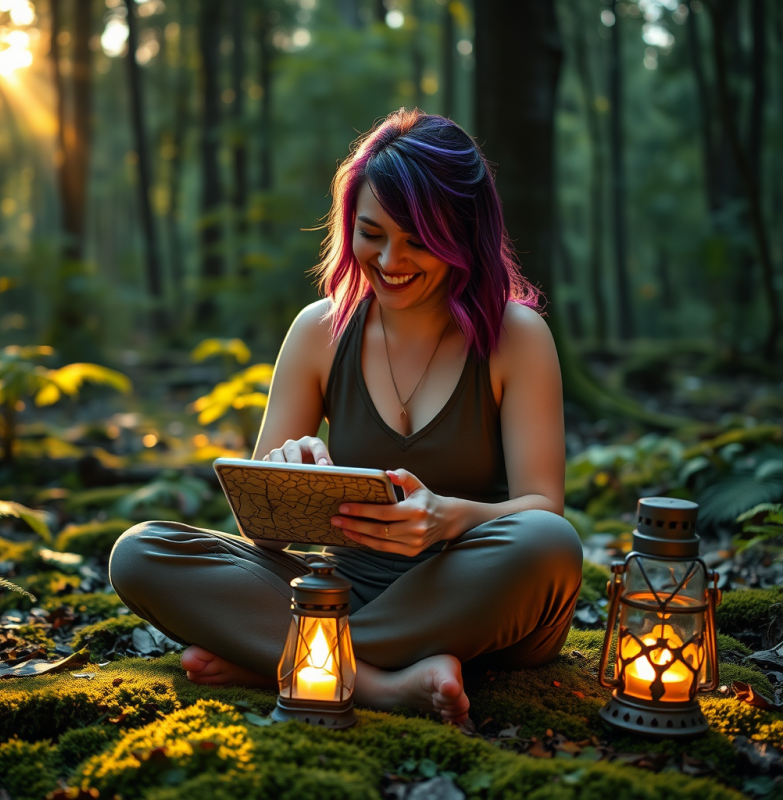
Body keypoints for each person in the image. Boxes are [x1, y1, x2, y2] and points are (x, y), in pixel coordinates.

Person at [109, 108, 582, 725]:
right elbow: (262, 534)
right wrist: (284, 478)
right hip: (345, 586)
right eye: (371, 232)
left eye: (418, 240)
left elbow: (542, 504)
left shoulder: (515, 336)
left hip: (474, 590)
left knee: (550, 544)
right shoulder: (320, 332)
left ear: (463, 236)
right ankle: (381, 685)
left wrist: (448, 518)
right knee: (139, 551)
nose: (390, 259)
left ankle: (288, 661)